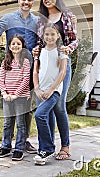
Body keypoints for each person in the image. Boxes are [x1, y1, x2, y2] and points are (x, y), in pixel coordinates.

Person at [0, 0, 38, 154]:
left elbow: (43, 40)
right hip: (12, 68)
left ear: (32, 2)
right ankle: (7, 143)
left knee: (27, 107)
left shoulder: (37, 21)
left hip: (29, 69)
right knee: (10, 107)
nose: (26, 2)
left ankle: (24, 141)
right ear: (19, 1)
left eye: (29, 0)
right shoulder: (9, 18)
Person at [34, 0, 78, 160]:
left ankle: (65, 147)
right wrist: (36, 52)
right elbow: (39, 41)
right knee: (47, 107)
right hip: (46, 66)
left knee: (59, 106)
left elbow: (74, 40)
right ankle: (48, 146)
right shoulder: (41, 19)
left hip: (61, 65)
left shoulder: (66, 15)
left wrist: (68, 49)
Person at [33, 23, 68, 165]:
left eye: (53, 34)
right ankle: (43, 151)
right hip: (41, 91)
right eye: (47, 34)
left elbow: (62, 72)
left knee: (39, 115)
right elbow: (35, 71)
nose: (49, 37)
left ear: (58, 35)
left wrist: (51, 89)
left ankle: (48, 148)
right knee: (44, 117)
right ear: (43, 35)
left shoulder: (62, 51)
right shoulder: (39, 51)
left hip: (53, 92)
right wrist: (37, 88)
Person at [0, 35, 31, 161]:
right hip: (7, 98)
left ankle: (19, 149)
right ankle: (6, 146)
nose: (15, 46)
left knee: (21, 124)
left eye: (18, 44)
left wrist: (16, 94)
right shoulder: (5, 62)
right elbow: (1, 78)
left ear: (22, 47)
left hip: (20, 97)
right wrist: (5, 93)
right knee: (7, 123)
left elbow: (26, 79)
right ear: (9, 47)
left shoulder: (25, 62)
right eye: (13, 44)